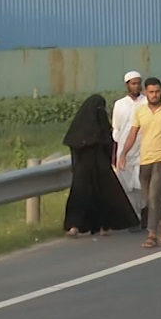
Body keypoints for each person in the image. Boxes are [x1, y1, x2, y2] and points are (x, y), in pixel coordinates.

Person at [118, 77, 161, 249]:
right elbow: (132, 134)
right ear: (146, 92)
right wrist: (123, 154)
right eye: (151, 92)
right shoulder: (140, 111)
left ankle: (151, 234)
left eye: (157, 92)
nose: (154, 95)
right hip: (145, 159)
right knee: (148, 198)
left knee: (155, 194)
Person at [63, 94, 140, 238]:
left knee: (106, 195)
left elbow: (108, 142)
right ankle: (74, 226)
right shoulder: (82, 126)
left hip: (100, 166)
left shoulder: (99, 122)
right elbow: (75, 145)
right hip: (85, 168)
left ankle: (104, 225)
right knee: (80, 195)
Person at [111, 71, 148, 229]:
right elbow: (117, 129)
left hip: (144, 148)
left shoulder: (146, 102)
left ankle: (145, 214)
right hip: (124, 151)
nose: (136, 86)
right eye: (133, 83)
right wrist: (119, 153)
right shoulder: (120, 104)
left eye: (139, 83)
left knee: (141, 184)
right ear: (127, 85)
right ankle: (135, 218)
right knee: (127, 187)